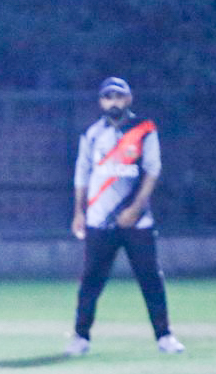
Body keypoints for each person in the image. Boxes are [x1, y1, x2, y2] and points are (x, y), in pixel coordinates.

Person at [66, 77, 185, 356]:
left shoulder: (144, 130)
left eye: (119, 97)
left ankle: (164, 336)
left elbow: (153, 170)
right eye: (108, 97)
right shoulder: (92, 133)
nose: (114, 102)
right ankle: (80, 337)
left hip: (137, 221)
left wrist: (135, 208)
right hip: (99, 220)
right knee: (91, 280)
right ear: (101, 102)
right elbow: (82, 173)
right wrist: (78, 212)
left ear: (128, 99)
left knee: (150, 278)